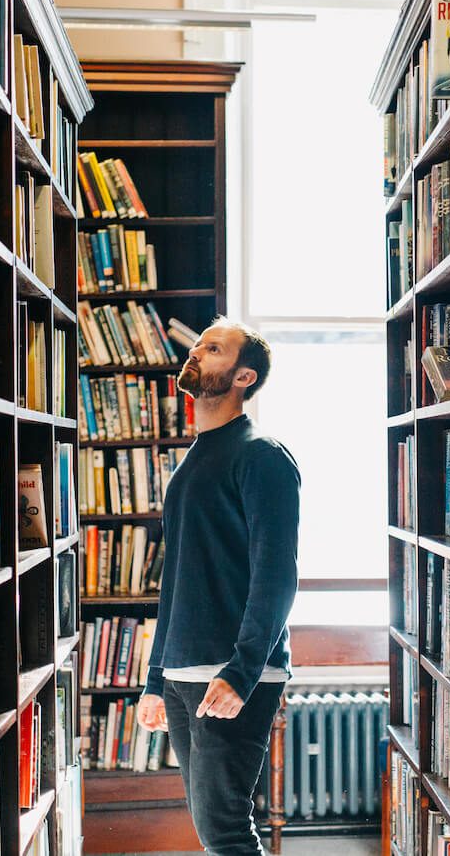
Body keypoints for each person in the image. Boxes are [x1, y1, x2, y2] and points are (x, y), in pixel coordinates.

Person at [136, 317, 300, 856]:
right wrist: (157, 678)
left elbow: (276, 574)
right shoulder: (192, 462)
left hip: (230, 673)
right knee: (216, 832)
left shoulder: (262, 456)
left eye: (214, 348)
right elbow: (176, 581)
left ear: (243, 377)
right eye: (200, 345)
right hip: (186, 671)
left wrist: (243, 671)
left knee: (225, 833)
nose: (197, 353)